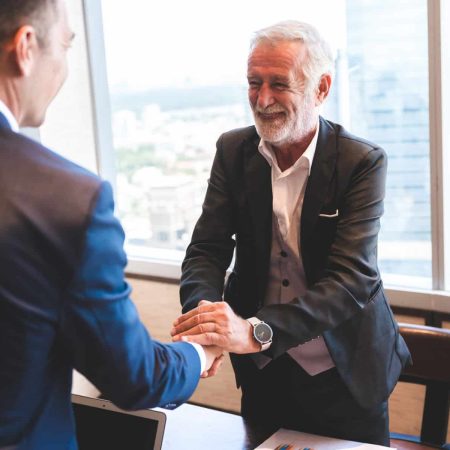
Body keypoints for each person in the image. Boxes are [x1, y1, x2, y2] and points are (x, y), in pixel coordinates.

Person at [171, 20, 411, 446]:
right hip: (266, 374)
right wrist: (208, 321)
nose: (262, 100)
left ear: (321, 88)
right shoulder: (232, 150)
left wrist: (255, 331)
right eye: (253, 83)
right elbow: (206, 250)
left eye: (279, 84)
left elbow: (350, 280)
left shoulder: (362, 161)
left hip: (347, 373)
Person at [0, 1, 222, 448]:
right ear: (25, 47)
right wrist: (199, 354)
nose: (63, 69)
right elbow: (132, 377)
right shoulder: (66, 200)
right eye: (65, 45)